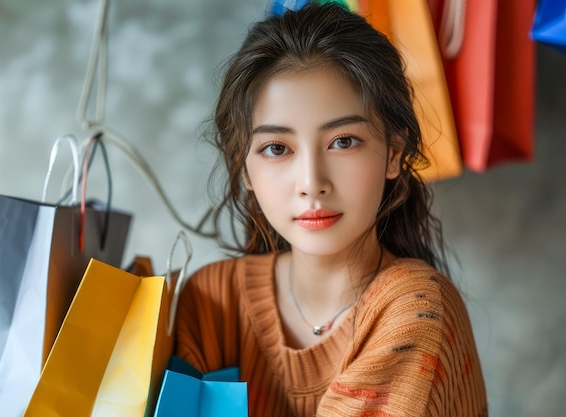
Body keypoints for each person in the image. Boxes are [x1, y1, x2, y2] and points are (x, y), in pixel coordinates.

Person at [174, 3, 487, 416]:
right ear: (243, 167)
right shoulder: (213, 301)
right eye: (276, 148)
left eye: (343, 141)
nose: (311, 183)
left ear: (393, 153)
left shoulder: (417, 310)